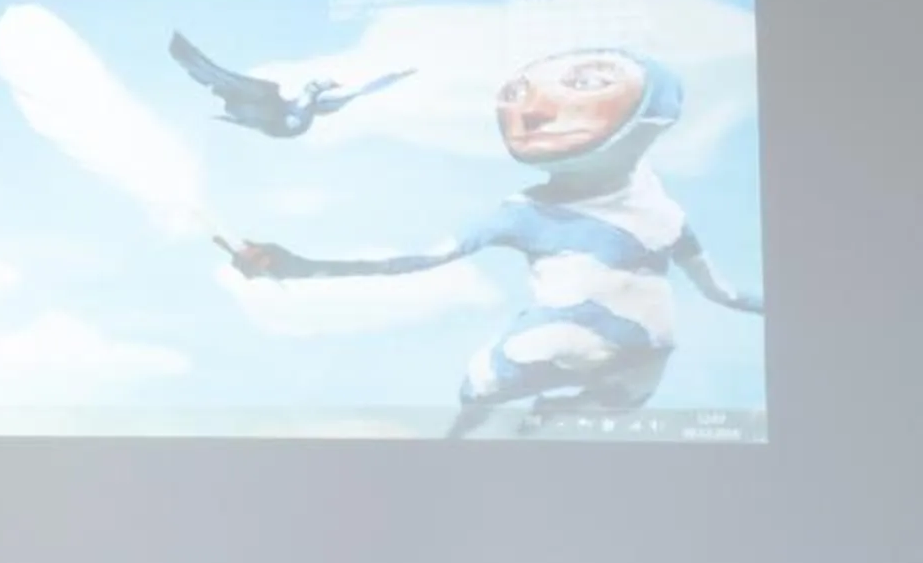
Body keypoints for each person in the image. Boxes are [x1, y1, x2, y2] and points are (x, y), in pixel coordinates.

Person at [228, 48, 762, 437]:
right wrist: (296, 265)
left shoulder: (663, 213)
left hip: (642, 366)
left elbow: (724, 294)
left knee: (582, 420)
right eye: (515, 94)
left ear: (656, 111)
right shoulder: (526, 214)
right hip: (553, 346)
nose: (530, 111)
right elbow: (413, 259)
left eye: (589, 81)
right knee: (479, 397)